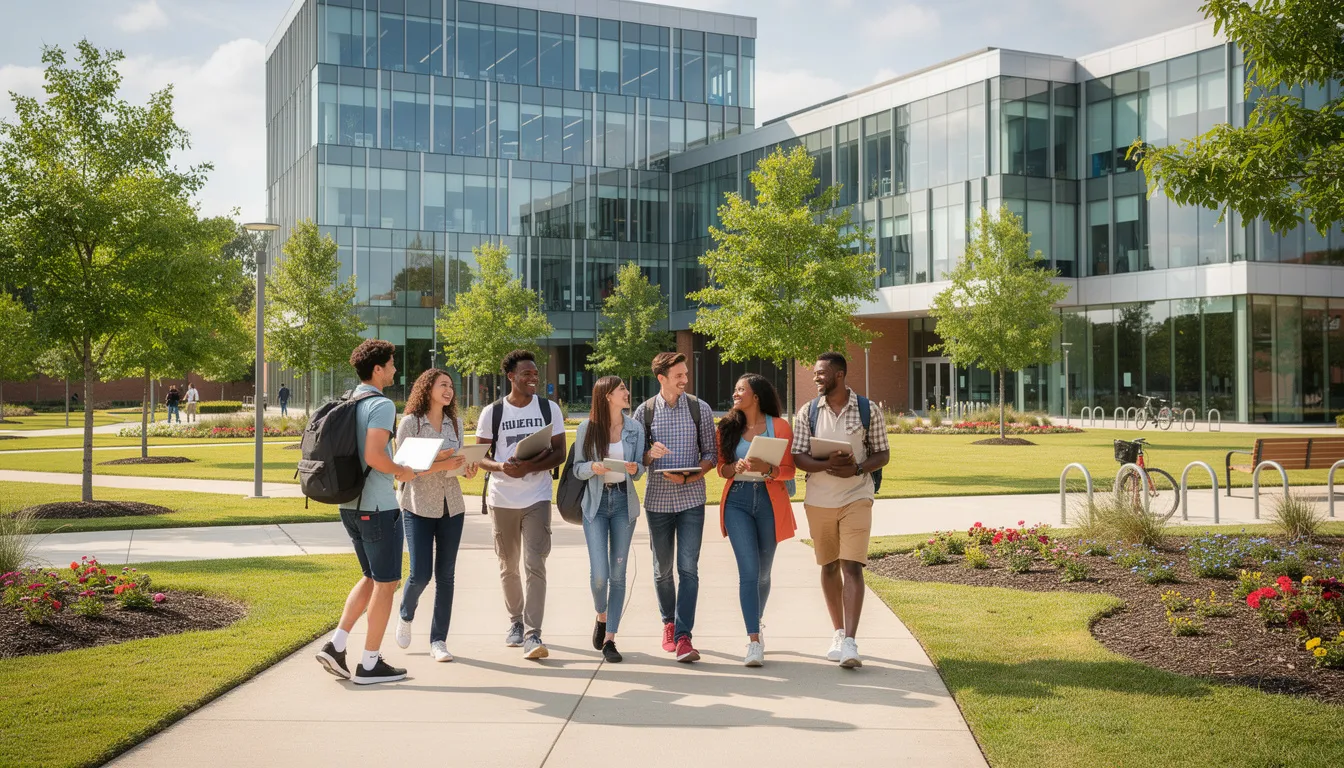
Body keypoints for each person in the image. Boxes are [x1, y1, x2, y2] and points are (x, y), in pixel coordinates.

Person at [314, 339, 416, 685]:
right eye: (391, 364)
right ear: (377, 369)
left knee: (372, 577)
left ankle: (336, 645)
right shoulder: (381, 405)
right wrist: (401, 471)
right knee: (387, 584)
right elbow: (374, 456)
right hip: (377, 507)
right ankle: (370, 664)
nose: (395, 369)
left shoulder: (349, 400)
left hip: (350, 506)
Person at [790, 352, 890, 669]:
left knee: (853, 566)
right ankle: (837, 632)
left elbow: (883, 454)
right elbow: (798, 456)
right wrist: (827, 464)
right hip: (819, 500)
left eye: (821, 373)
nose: (816, 377)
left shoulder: (867, 410)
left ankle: (850, 641)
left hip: (857, 496)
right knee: (829, 565)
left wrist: (857, 468)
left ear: (839, 374)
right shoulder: (807, 412)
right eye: (815, 373)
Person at [477, 349, 566, 660]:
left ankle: (532, 632)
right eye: (526, 373)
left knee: (535, 564)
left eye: (535, 374)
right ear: (511, 376)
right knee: (508, 565)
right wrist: (502, 467)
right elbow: (481, 457)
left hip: (537, 497)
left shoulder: (548, 408)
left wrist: (528, 467)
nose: (533, 378)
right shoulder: (493, 412)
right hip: (502, 498)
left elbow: (560, 453)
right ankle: (515, 621)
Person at [632, 352, 716, 663]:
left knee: (689, 568)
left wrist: (692, 475)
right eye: (678, 375)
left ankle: (683, 636)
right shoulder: (644, 412)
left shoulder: (699, 408)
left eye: (685, 374)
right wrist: (649, 455)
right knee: (662, 569)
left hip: (692, 499)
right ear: (662, 378)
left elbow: (710, 454)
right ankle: (668, 623)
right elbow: (637, 461)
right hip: (657, 502)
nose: (685, 380)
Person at [394, 369, 478, 663]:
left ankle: (438, 640)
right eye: (443, 385)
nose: (449, 390)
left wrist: (467, 469)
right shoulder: (410, 423)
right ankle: (406, 614)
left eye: (451, 386)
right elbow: (402, 471)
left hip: (451, 507)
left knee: (446, 576)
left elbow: (458, 465)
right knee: (420, 574)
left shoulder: (455, 423)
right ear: (427, 388)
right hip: (417, 506)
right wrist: (441, 464)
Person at [715, 374, 796, 667]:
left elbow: (789, 471)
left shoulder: (780, 427)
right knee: (748, 572)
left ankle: (757, 622)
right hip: (736, 502)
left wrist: (768, 469)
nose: (735, 394)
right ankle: (753, 641)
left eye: (741, 390)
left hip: (769, 502)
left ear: (757, 396)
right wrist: (733, 467)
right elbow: (721, 469)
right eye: (735, 389)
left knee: (763, 574)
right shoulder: (727, 426)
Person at [572, 376, 644, 664]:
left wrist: (635, 468)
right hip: (596, 505)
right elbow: (577, 469)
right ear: (607, 397)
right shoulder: (586, 429)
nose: (627, 393)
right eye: (621, 389)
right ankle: (601, 615)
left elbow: (639, 471)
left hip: (624, 504)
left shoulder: (635, 428)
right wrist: (594, 467)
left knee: (618, 573)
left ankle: (610, 638)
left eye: (625, 388)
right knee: (600, 574)